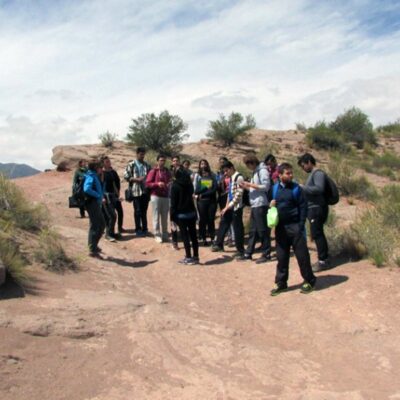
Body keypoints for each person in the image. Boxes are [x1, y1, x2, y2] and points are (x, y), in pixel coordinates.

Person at [268, 163, 316, 295]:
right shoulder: (274, 189)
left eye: (291, 173)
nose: (291, 175)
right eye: (288, 173)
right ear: (280, 175)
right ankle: (281, 283)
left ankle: (309, 280)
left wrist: (300, 225)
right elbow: (270, 204)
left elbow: (303, 207)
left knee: (302, 256)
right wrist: (270, 205)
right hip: (280, 228)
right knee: (282, 257)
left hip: (295, 227)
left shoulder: (296, 189)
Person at [297, 153, 329, 272]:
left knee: (317, 234)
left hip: (317, 208)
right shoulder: (313, 174)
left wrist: (303, 187)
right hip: (314, 208)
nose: (303, 168)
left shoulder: (318, 173)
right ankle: (323, 258)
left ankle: (323, 261)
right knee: (317, 233)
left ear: (309, 162)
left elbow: (319, 189)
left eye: (303, 165)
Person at [240, 154, 272, 263]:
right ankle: (248, 253)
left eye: (248, 165)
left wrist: (250, 184)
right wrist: (246, 187)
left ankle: (266, 253)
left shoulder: (262, 171)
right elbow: (255, 190)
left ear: (252, 163)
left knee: (262, 230)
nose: (248, 167)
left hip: (261, 204)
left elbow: (265, 187)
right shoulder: (255, 172)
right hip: (254, 204)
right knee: (253, 230)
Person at [212, 160, 245, 260]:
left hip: (236, 207)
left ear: (231, 168)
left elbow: (238, 195)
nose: (225, 173)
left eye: (226, 171)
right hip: (230, 206)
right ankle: (219, 244)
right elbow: (229, 193)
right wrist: (225, 207)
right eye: (224, 171)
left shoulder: (239, 177)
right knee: (224, 223)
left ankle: (240, 250)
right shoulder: (231, 178)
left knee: (237, 228)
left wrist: (228, 206)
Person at [170, 167, 199, 265]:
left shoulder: (175, 186)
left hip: (181, 215)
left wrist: (172, 217)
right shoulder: (190, 184)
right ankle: (196, 256)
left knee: (185, 236)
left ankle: (188, 257)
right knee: (193, 236)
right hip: (191, 212)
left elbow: (173, 204)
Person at [124, 147, 151, 236]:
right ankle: (138, 229)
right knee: (137, 211)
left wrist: (146, 179)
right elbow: (126, 176)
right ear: (137, 154)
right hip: (136, 192)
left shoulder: (147, 165)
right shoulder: (131, 164)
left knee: (144, 211)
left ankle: (145, 228)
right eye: (141, 154)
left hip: (145, 192)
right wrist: (136, 179)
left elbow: (151, 176)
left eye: (143, 154)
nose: (142, 156)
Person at [146, 154, 171, 243]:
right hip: (155, 195)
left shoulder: (167, 171)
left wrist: (168, 184)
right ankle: (157, 235)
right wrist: (157, 184)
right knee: (156, 215)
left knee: (165, 216)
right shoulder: (153, 171)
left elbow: (169, 181)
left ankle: (165, 235)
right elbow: (148, 183)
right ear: (157, 161)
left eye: (164, 160)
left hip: (165, 196)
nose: (162, 162)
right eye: (161, 160)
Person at [83, 160, 106, 258]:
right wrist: (98, 196)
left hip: (95, 203)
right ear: (96, 168)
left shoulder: (95, 176)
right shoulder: (91, 176)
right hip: (92, 203)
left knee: (102, 224)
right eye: (100, 167)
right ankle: (92, 249)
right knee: (95, 225)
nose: (101, 169)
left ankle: (94, 246)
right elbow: (86, 188)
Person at [194, 163, 218, 246]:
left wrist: (203, 193)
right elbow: (196, 191)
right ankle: (203, 237)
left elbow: (214, 190)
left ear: (209, 173)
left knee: (211, 219)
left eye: (206, 172)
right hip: (202, 202)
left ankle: (212, 237)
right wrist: (206, 186)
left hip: (211, 202)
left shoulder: (213, 180)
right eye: (203, 173)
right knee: (203, 220)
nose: (205, 174)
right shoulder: (201, 180)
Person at [102, 156, 120, 242]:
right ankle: (108, 234)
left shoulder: (112, 172)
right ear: (103, 163)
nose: (109, 163)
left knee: (112, 215)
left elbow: (115, 183)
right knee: (111, 215)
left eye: (109, 161)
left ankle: (112, 233)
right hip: (105, 196)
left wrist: (117, 194)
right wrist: (102, 197)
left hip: (113, 196)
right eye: (106, 162)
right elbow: (99, 186)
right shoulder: (101, 173)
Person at [169, 155, 181, 249]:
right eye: (174, 160)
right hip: (171, 199)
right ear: (172, 162)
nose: (175, 162)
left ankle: (184, 238)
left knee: (181, 220)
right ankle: (174, 241)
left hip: (181, 200)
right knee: (173, 220)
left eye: (177, 160)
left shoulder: (183, 172)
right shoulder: (169, 173)